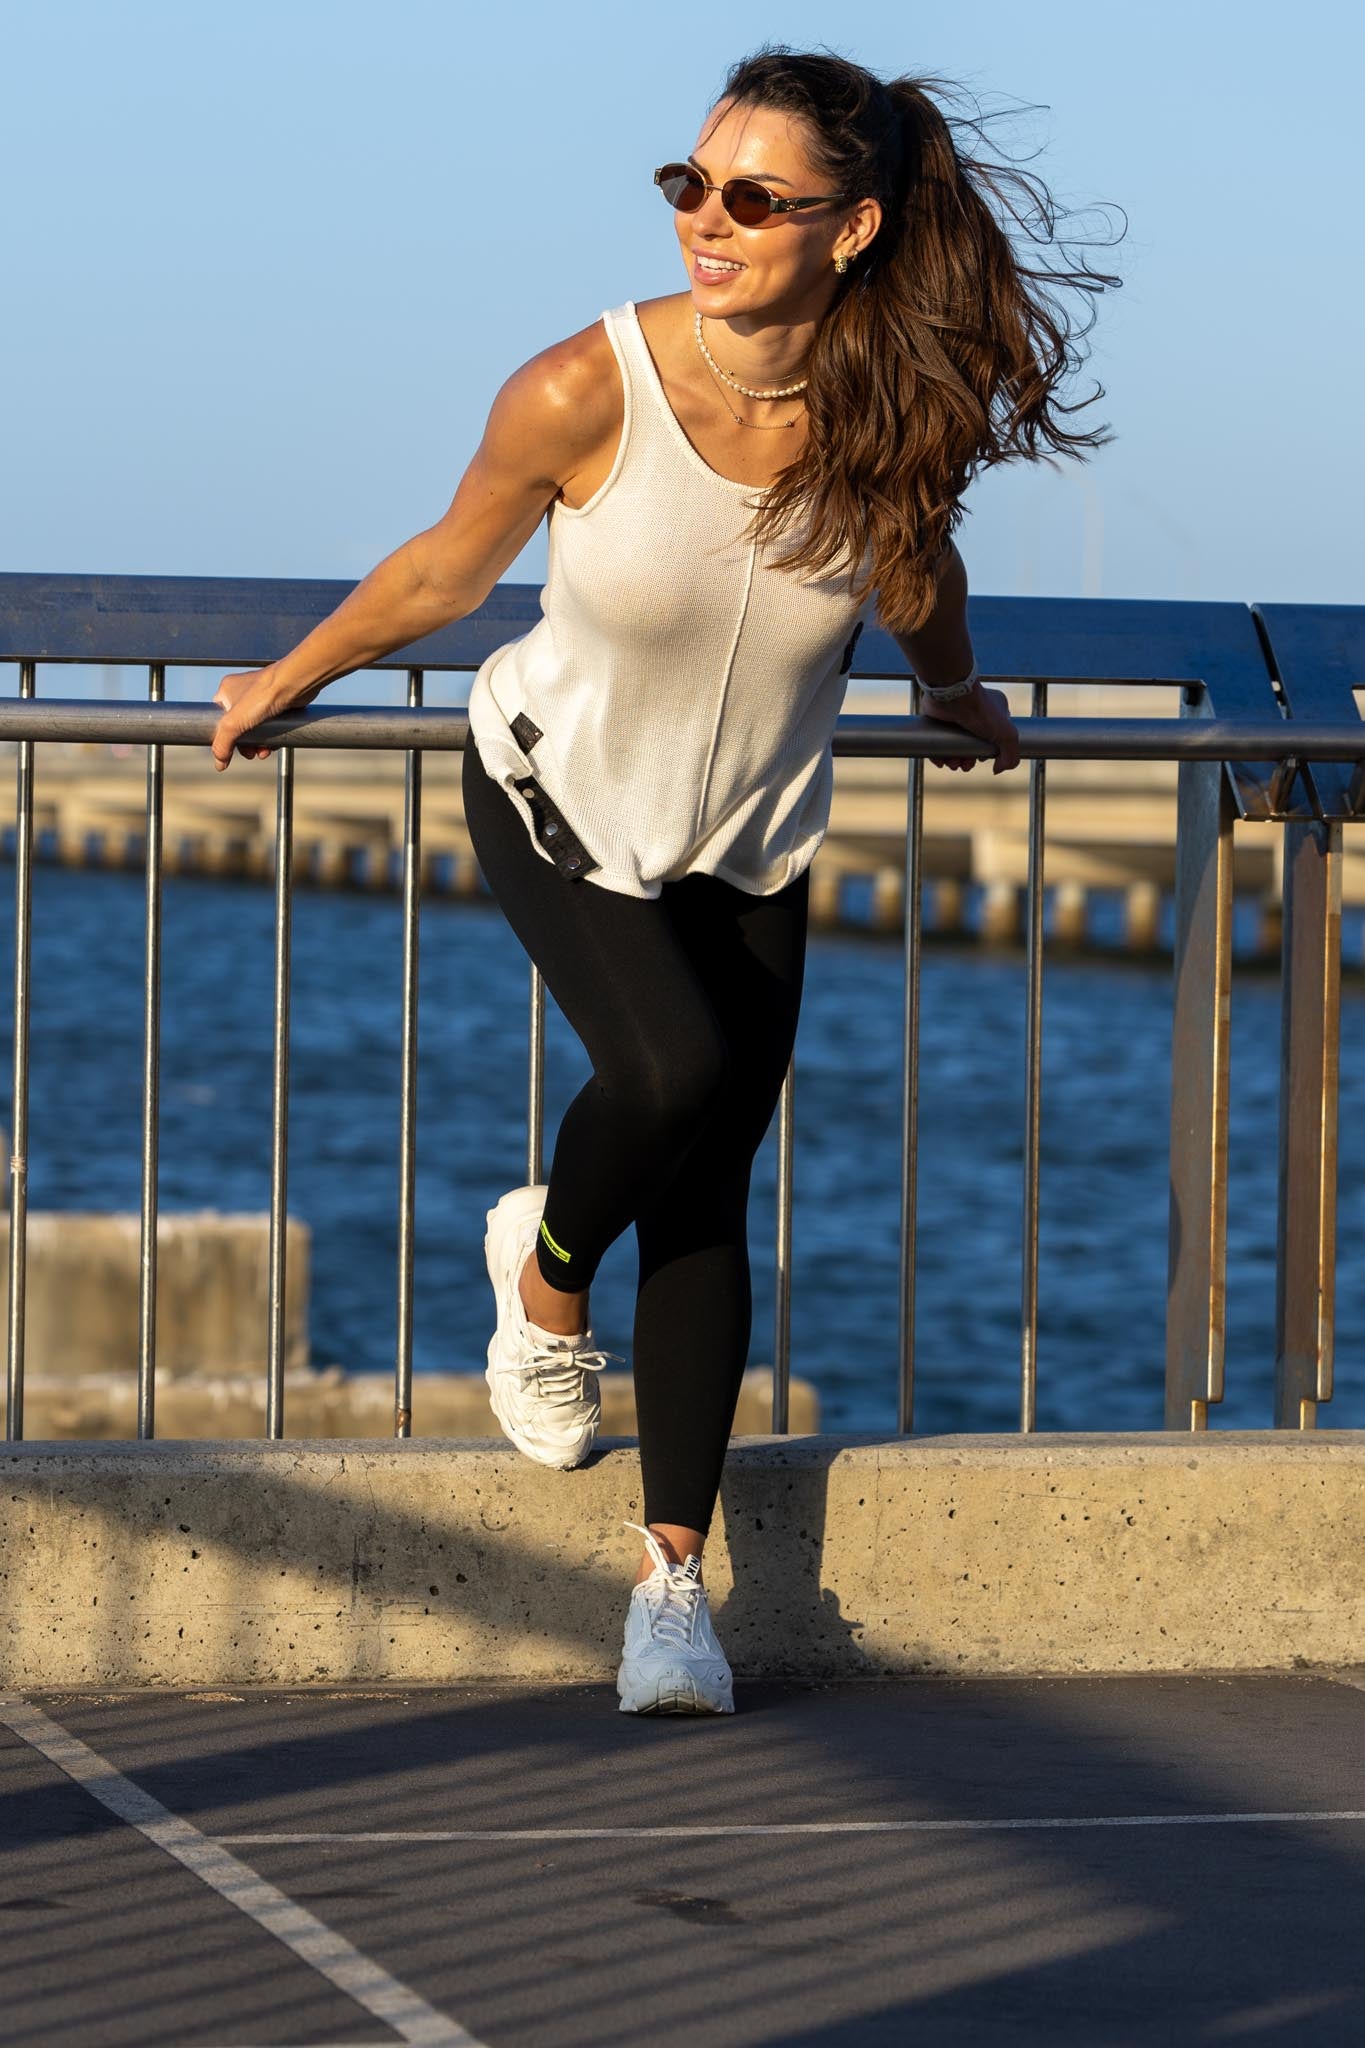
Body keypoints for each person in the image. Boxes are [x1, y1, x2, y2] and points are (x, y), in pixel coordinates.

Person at [210, 47, 1116, 1715]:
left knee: (705, 1186)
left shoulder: (887, 407)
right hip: (557, 789)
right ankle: (545, 1274)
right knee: (672, 1072)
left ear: (847, 232)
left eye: (752, 197)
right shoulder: (585, 386)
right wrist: (292, 672)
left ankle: (669, 1592)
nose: (708, 218)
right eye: (687, 185)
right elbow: (444, 563)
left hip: (751, 832)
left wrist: (949, 691)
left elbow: (915, 574)